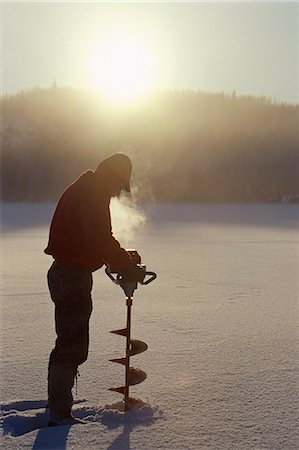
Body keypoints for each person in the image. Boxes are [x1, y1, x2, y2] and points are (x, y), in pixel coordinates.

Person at [44, 153, 145, 426]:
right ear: (110, 176)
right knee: (71, 344)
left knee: (70, 341)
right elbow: (99, 238)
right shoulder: (91, 193)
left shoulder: (86, 187)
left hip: (69, 273)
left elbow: (94, 238)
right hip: (71, 276)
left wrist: (121, 258)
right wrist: (125, 264)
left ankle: (58, 407)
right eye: (119, 185)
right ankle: (59, 414)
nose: (117, 192)